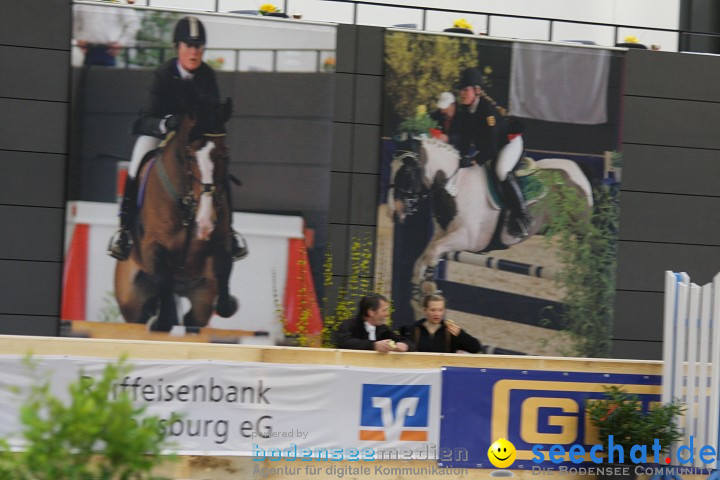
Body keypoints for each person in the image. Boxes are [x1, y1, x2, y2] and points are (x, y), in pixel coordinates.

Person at [108, 16, 248, 262]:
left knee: (218, 167)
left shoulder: (207, 75)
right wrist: (165, 123)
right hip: (161, 135)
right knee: (137, 160)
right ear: (178, 48)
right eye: (188, 46)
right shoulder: (163, 74)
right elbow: (146, 118)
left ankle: (230, 231)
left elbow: (212, 113)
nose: (194, 52)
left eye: (198, 47)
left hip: (195, 138)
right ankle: (124, 229)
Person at [451, 67, 531, 237]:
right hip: (492, 146)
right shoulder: (465, 110)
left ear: (477, 90)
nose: (462, 93)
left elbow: (492, 148)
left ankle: (523, 216)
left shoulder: (486, 111)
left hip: (509, 143)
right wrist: (460, 156)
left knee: (500, 170)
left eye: (465, 89)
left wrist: (473, 161)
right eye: (461, 90)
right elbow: (464, 139)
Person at [400, 294, 481, 354]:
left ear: (444, 311)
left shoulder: (451, 331)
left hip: (444, 373)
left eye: (440, 310)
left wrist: (461, 335)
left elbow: (475, 348)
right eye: (433, 310)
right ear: (425, 311)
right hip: (420, 373)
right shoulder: (412, 329)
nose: (437, 314)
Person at [335, 294, 414, 352]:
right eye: (384, 310)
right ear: (371, 312)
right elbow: (344, 343)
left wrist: (405, 345)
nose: (387, 314)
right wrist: (373, 345)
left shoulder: (383, 329)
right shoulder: (349, 325)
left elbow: (409, 343)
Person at [73, 1, 140, 67]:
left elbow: (134, 23)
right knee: (88, 77)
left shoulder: (119, 2)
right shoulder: (83, 3)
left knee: (107, 76)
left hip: (108, 51)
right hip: (88, 49)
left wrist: (121, 43)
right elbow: (74, 22)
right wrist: (79, 39)